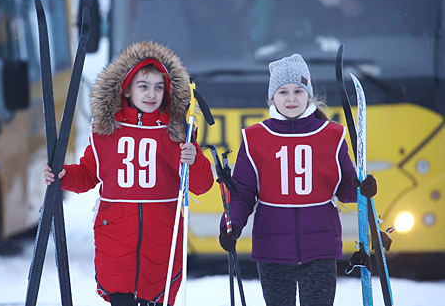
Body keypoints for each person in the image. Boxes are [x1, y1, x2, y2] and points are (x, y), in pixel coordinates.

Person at [44, 40, 214, 306]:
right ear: (126, 90)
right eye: (143, 86)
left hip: (161, 239)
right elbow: (88, 174)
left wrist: (195, 160)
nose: (152, 94)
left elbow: (202, 185)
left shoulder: (176, 133)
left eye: (159, 87)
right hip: (115, 238)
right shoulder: (106, 132)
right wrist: (63, 175)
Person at [218, 53, 377, 306]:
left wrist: (361, 186)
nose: (291, 98)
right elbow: (244, 193)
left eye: (298, 91)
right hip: (272, 249)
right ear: (272, 98)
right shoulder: (255, 138)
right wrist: (232, 224)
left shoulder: (332, 135)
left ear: (309, 95)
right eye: (283, 92)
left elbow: (345, 187)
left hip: (321, 247)